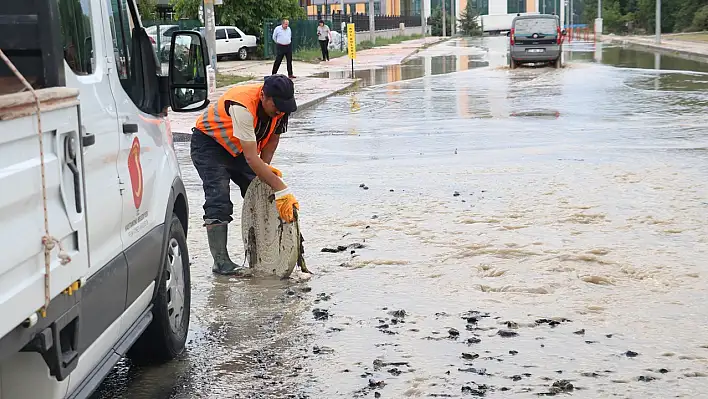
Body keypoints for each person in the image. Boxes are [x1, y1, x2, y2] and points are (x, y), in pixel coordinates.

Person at [190, 74, 300, 276]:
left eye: (284, 108)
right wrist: (281, 188)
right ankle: (221, 262)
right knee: (219, 197)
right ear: (264, 96)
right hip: (209, 145)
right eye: (277, 106)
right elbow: (251, 158)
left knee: (262, 191)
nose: (280, 112)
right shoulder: (242, 105)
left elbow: (271, 142)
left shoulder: (281, 109)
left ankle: (269, 252)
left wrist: (266, 172)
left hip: (238, 149)